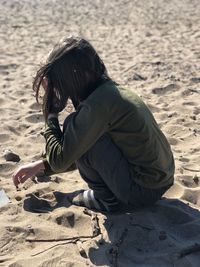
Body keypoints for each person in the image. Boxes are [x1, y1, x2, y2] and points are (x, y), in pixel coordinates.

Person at [12, 36, 175, 212]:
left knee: (71, 124)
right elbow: (80, 145)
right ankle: (112, 195)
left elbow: (66, 157)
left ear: (74, 77)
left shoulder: (97, 106)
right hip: (159, 180)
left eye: (59, 81)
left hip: (142, 191)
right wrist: (40, 166)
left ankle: (108, 201)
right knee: (82, 132)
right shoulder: (111, 91)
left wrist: (51, 115)